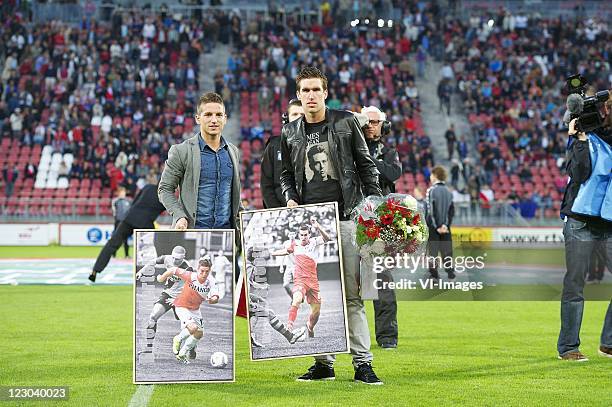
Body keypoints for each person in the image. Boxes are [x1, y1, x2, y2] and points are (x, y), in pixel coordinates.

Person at [280, 66, 383, 385]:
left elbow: (367, 166)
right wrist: (290, 198)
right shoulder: (290, 132)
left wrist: (374, 206)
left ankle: (362, 363)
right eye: (305, 91)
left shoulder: (345, 121)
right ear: (298, 95)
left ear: (325, 93)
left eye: (316, 90)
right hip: (310, 227)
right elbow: (286, 174)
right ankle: (324, 362)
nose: (310, 95)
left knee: (352, 296)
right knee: (315, 295)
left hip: (347, 219)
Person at [557, 116, 612, 361]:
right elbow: (578, 173)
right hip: (580, 220)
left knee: (575, 284)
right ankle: (568, 347)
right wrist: (578, 139)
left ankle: (608, 342)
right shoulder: (586, 137)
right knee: (575, 284)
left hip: (607, 221)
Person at [158, 92, 241, 232]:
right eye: (208, 115)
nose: (214, 120)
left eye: (219, 115)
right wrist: (179, 216)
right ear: (198, 118)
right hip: (192, 232)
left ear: (225, 118)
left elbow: (233, 195)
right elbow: (164, 189)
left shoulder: (233, 151)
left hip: (226, 236)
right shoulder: (181, 151)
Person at [361, 105, 402, 349]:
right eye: (367, 122)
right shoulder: (349, 148)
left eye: (375, 122)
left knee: (383, 283)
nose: (371, 125)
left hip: (379, 226)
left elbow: (393, 173)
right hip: (352, 220)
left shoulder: (389, 152)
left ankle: (387, 337)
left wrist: (368, 160)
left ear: (383, 125)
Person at [89, 184, 166, 282]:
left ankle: (95, 270)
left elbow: (135, 202)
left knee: (112, 244)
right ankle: (150, 277)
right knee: (148, 250)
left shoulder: (148, 187)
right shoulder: (165, 196)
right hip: (145, 223)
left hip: (129, 218)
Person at [157, 256, 221, 364]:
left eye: (207, 271)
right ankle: (178, 339)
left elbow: (215, 296)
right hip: (182, 306)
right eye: (202, 271)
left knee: (199, 333)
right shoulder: (191, 276)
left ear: (210, 270)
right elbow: (173, 270)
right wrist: (161, 278)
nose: (204, 274)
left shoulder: (211, 281)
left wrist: (213, 299)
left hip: (195, 309)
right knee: (193, 328)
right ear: (198, 269)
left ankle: (182, 353)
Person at [271, 220, 330, 336]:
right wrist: (272, 253)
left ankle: (310, 326)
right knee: (296, 299)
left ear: (309, 235)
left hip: (313, 281)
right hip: (300, 280)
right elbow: (285, 251)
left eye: (305, 235)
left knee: (316, 312)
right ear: (299, 235)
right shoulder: (295, 245)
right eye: (301, 235)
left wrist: (318, 226)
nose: (303, 237)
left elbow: (327, 238)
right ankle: (289, 326)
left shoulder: (314, 242)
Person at [246, 246, 307, 347]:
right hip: (245, 300)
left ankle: (250, 337)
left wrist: (259, 290)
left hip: (246, 298)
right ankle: (290, 337)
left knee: (255, 313)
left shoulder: (249, 265)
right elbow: (246, 285)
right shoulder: (249, 267)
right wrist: (250, 300)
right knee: (269, 313)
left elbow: (249, 283)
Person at [261, 99, 304, 208]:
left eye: (302, 114)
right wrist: (276, 211)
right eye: (295, 114)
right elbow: (266, 184)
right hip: (280, 210)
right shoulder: (273, 145)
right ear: (286, 118)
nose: (299, 117)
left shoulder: (316, 143)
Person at [425, 166, 455, 280]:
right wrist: (445, 225)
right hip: (445, 227)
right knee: (447, 250)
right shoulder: (449, 191)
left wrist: (437, 226)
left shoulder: (431, 190)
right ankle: (450, 272)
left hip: (434, 227)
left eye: (432, 175)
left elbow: (430, 210)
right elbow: (451, 211)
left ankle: (434, 274)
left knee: (433, 251)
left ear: (435, 175)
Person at [111, 186, 131, 258]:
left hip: (125, 222)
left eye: (124, 192)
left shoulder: (128, 201)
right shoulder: (115, 201)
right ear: (118, 193)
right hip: (118, 221)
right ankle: (113, 255)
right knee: (116, 238)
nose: (123, 194)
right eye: (121, 192)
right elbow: (114, 212)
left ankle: (126, 255)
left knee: (125, 239)